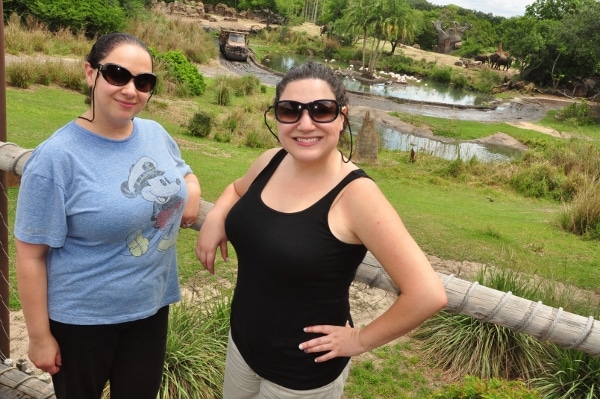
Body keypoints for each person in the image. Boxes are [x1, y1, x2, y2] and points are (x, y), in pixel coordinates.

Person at [195, 61, 447, 399]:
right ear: (277, 116)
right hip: (242, 347)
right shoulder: (272, 160)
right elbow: (237, 189)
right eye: (290, 110)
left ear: (342, 116)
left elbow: (427, 294)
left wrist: (361, 339)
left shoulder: (357, 196)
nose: (305, 123)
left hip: (301, 377)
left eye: (321, 110)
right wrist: (216, 217)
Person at [14, 32, 201, 399]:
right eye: (117, 74)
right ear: (90, 73)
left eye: (143, 82)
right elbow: (30, 255)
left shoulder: (155, 133)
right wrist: (38, 337)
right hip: (82, 321)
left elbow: (182, 171)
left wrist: (191, 189)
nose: (131, 90)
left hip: (150, 309)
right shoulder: (56, 158)